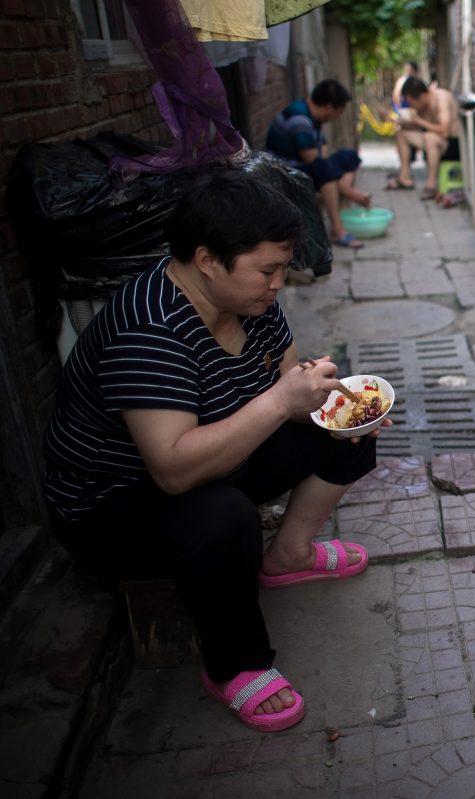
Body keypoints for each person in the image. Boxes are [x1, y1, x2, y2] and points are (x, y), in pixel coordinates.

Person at [44, 170, 390, 733]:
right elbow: (175, 470)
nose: (280, 282)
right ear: (207, 260)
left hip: (221, 456)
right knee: (222, 517)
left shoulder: (252, 301)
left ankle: (290, 555)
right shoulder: (150, 328)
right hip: (112, 502)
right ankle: (235, 663)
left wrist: (334, 406)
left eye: (282, 268)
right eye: (268, 269)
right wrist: (282, 403)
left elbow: (288, 386)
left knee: (347, 427)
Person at [266, 79, 369, 250]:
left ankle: (341, 200)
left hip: (305, 164)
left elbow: (323, 149)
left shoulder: (314, 116)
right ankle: (337, 230)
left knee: (349, 156)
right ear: (329, 107)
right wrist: (350, 192)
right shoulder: (300, 119)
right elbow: (313, 160)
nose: (339, 116)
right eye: (339, 111)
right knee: (325, 169)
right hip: (283, 172)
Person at [386, 77, 461, 199]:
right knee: (401, 133)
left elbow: (444, 131)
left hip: (453, 144)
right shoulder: (422, 106)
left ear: (421, 96)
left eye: (411, 102)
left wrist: (418, 121)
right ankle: (404, 178)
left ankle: (431, 184)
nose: (411, 106)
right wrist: (396, 120)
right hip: (434, 142)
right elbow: (418, 125)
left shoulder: (441, 98)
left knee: (429, 137)